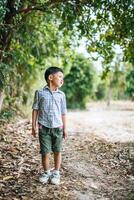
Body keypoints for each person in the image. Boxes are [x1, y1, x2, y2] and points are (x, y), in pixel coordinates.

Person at [32, 66, 67, 185]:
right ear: (50, 77)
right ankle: (46, 172)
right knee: (45, 152)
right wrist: (33, 126)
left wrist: (65, 128)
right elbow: (35, 109)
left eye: (63, 78)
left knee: (57, 151)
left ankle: (56, 173)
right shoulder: (40, 93)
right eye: (60, 77)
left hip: (58, 127)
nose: (62, 80)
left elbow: (63, 112)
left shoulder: (61, 95)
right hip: (44, 127)